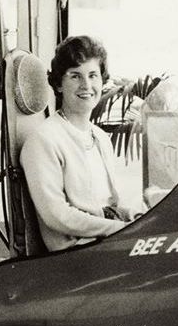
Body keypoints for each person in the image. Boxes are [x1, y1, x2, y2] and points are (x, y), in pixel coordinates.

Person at [20, 35, 141, 252]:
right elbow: (56, 215)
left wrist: (131, 217)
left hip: (105, 242)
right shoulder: (43, 139)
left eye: (93, 75)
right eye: (75, 76)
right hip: (75, 254)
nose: (86, 85)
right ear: (58, 84)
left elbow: (104, 205)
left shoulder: (100, 137)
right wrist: (118, 229)